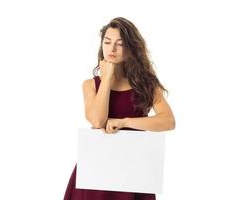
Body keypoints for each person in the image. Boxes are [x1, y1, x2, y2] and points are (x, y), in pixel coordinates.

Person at [64, 17, 175, 200]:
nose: (112, 49)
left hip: (133, 170)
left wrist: (123, 122)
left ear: (131, 48)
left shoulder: (147, 85)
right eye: (107, 42)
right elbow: (97, 121)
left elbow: (168, 121)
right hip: (95, 170)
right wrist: (107, 78)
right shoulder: (91, 85)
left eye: (120, 44)